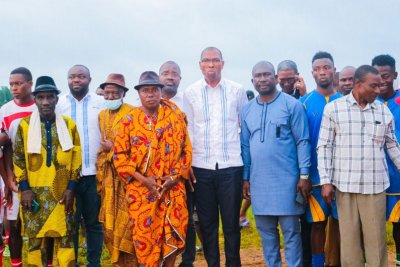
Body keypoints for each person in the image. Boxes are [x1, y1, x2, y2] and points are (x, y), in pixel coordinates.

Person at [318, 65, 400, 266]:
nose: (378, 90)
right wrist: (326, 182)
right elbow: (324, 146)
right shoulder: (334, 109)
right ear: (357, 84)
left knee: (377, 243)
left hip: (375, 187)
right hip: (345, 187)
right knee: (350, 244)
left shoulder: (383, 111)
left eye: (380, 86)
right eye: (374, 86)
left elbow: (392, 146)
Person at [113, 71, 192, 266]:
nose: (150, 94)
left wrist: (174, 177)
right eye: (145, 91)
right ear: (138, 94)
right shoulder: (128, 122)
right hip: (141, 191)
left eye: (155, 90)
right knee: (145, 240)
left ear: (160, 92)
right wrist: (144, 180)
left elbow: (186, 150)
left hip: (172, 188)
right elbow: (120, 157)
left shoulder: (175, 117)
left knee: (172, 236)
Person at [241, 61, 311, 266]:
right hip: (259, 184)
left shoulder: (293, 105)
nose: (262, 79)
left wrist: (304, 175)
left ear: (276, 78)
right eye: (258, 76)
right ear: (252, 80)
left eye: (267, 75)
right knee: (267, 237)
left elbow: (303, 141)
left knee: (291, 235)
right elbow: (245, 146)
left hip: (288, 183)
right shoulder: (246, 110)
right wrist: (245, 177)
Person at [183, 47, 248, 267]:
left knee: (231, 224)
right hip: (201, 167)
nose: (211, 65)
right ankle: (213, 264)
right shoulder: (190, 92)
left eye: (215, 60)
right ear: (200, 65)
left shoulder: (237, 91)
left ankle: (233, 263)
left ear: (222, 63)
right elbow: (189, 130)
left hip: (231, 166)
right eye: (207, 61)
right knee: (208, 224)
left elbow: (244, 126)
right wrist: (189, 162)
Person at [13, 76, 81, 266]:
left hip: (63, 194)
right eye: (41, 97)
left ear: (56, 99)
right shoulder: (24, 127)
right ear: (34, 99)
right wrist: (25, 188)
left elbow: (77, 159)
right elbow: (18, 159)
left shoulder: (69, 126)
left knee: (65, 239)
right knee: (35, 241)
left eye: (50, 97)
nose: (45, 102)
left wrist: (71, 188)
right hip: (33, 194)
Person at [57, 64, 103, 266]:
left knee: (94, 223)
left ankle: (95, 262)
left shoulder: (100, 103)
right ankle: (72, 262)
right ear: (67, 80)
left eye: (81, 77)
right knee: (71, 224)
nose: (76, 80)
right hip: (68, 178)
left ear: (89, 80)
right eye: (72, 77)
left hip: (94, 174)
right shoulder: (59, 104)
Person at [300, 51, 341, 267]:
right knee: (317, 225)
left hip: (342, 177)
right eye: (317, 69)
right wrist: (304, 175)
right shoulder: (303, 103)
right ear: (312, 72)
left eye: (326, 67)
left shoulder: (345, 101)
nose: (322, 72)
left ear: (333, 70)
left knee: (342, 225)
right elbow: (300, 141)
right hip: (314, 177)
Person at [158, 61, 197, 267]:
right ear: (159, 77)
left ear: (180, 78)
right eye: (165, 73)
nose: (170, 77)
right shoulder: (149, 102)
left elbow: (191, 135)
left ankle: (187, 259)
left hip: (184, 170)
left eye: (174, 74)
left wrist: (185, 167)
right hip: (155, 174)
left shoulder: (187, 102)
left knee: (186, 216)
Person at [96, 73, 136, 266]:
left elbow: (137, 145)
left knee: (128, 223)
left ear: (123, 93)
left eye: (114, 93)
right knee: (109, 226)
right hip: (109, 179)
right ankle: (116, 260)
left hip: (127, 178)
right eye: (107, 93)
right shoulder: (101, 116)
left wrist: (114, 148)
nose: (110, 97)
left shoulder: (133, 113)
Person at [0, 67, 37, 267]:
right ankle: (16, 263)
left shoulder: (41, 106)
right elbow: (5, 147)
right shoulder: (5, 111)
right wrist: (8, 180)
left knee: (38, 224)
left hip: (40, 174)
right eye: (11, 83)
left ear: (30, 83)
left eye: (19, 83)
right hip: (15, 175)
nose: (14, 87)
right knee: (14, 225)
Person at [372, 54, 400, 266]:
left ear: (394, 76)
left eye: (386, 75)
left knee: (399, 226)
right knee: (373, 228)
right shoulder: (366, 103)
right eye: (378, 75)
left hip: (398, 174)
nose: (382, 80)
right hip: (373, 175)